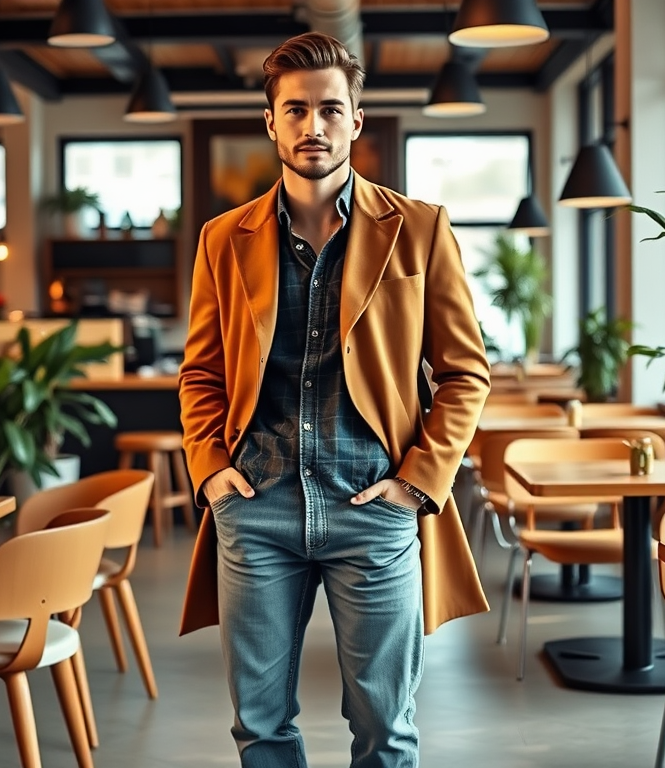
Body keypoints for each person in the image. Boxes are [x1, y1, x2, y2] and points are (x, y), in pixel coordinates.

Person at [178, 31, 491, 768]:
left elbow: (466, 374)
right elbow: (201, 374)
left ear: (356, 119)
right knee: (259, 727)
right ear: (271, 121)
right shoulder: (224, 239)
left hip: (373, 509)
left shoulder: (419, 230)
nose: (311, 126)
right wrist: (212, 472)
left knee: (387, 729)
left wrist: (417, 484)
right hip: (256, 509)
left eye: (328, 109)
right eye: (295, 111)